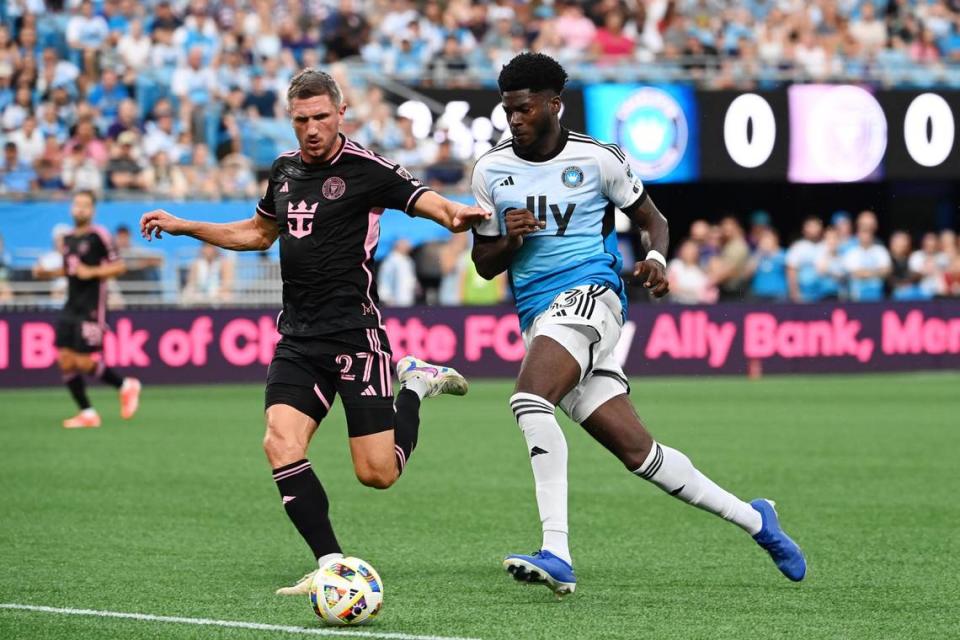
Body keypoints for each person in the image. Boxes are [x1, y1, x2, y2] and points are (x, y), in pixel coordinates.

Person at [139, 68, 489, 595]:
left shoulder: (367, 169)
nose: (312, 128)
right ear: (291, 119)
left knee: (378, 474)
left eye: (321, 117)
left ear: (340, 114)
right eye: (301, 119)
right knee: (280, 442)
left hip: (356, 335)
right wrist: (188, 225)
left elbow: (425, 199)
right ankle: (331, 564)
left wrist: (455, 214)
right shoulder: (282, 172)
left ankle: (413, 385)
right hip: (298, 340)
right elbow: (258, 233)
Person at [470, 53, 805, 596]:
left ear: (554, 104)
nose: (514, 121)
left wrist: (657, 261)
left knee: (529, 400)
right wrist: (510, 239)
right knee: (640, 454)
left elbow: (654, 221)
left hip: (592, 296)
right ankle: (756, 519)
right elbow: (484, 264)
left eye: (524, 110)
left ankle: (556, 551)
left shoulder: (600, 160)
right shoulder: (490, 170)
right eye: (507, 111)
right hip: (539, 316)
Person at [32, 191, 142, 428]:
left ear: (92, 210)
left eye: (85, 205)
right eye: (77, 204)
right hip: (71, 304)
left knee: (82, 361)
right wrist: (46, 274)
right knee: (64, 359)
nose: (80, 209)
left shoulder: (99, 236)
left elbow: (119, 266)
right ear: (72, 208)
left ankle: (125, 385)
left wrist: (91, 272)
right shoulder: (68, 239)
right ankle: (87, 413)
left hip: (92, 306)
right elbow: (69, 269)